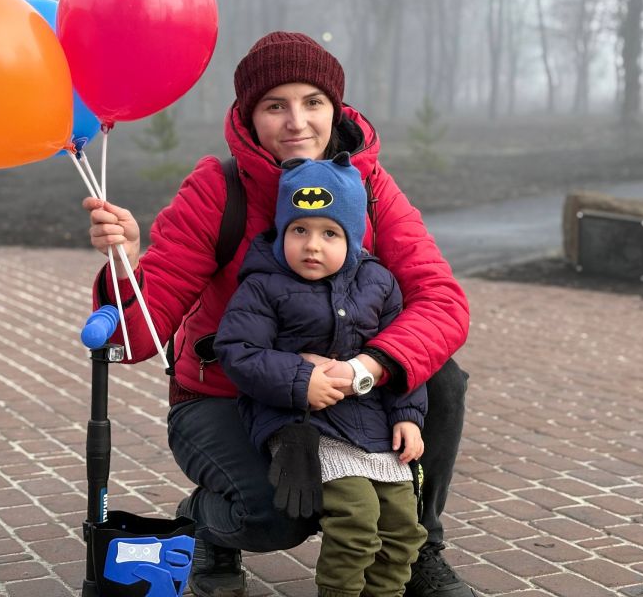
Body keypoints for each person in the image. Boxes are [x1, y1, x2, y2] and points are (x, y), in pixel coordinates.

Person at [85, 31, 474, 597]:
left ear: (334, 109)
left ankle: (418, 548)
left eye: (312, 102)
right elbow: (134, 338)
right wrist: (125, 264)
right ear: (250, 115)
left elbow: (442, 302)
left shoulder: (368, 189)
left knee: (440, 377)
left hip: (344, 391)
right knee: (279, 512)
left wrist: (367, 367)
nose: (297, 122)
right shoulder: (219, 190)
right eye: (276, 105)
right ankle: (208, 521)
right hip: (225, 397)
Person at [214, 153, 428, 597]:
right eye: (300, 230)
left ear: (352, 237)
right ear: (282, 232)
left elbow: (399, 355)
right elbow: (237, 350)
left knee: (403, 528)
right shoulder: (263, 284)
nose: (312, 245)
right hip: (306, 424)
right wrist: (298, 377)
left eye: (330, 233)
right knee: (355, 520)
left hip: (373, 424)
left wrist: (408, 414)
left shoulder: (380, 283)